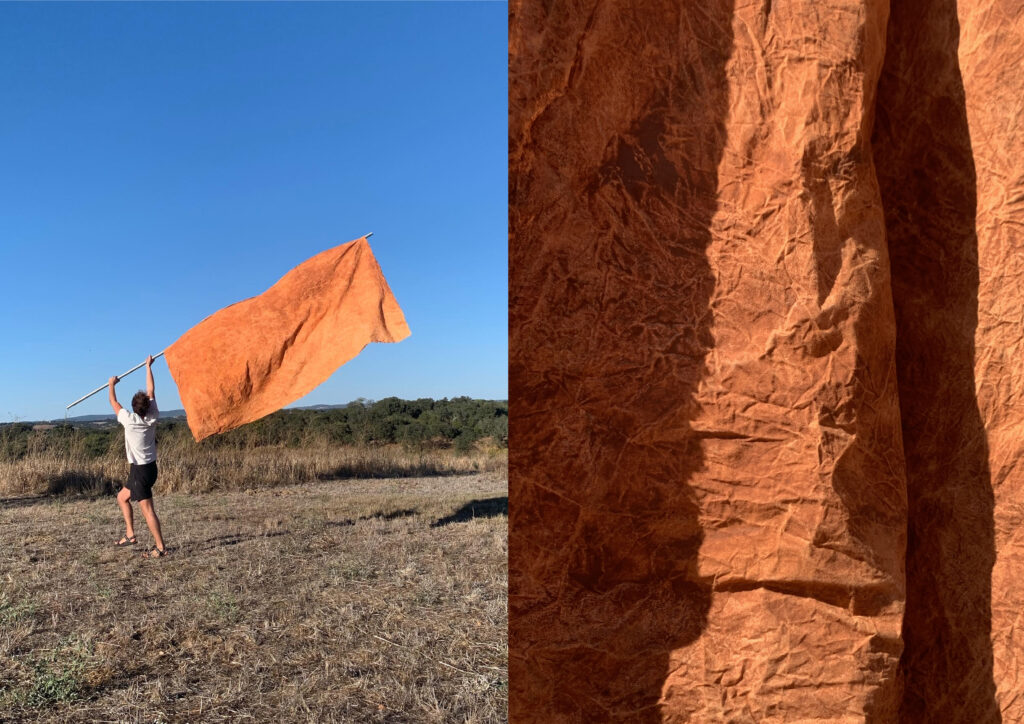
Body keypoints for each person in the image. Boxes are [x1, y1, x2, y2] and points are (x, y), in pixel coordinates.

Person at [109, 354, 168, 558]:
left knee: (148, 511)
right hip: (147, 469)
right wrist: (148, 367)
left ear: (134, 408)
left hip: (141, 472)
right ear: (148, 407)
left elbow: (113, 401)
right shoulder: (153, 416)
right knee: (122, 497)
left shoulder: (129, 420)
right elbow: (151, 390)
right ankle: (131, 535)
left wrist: (111, 384)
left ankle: (160, 548)